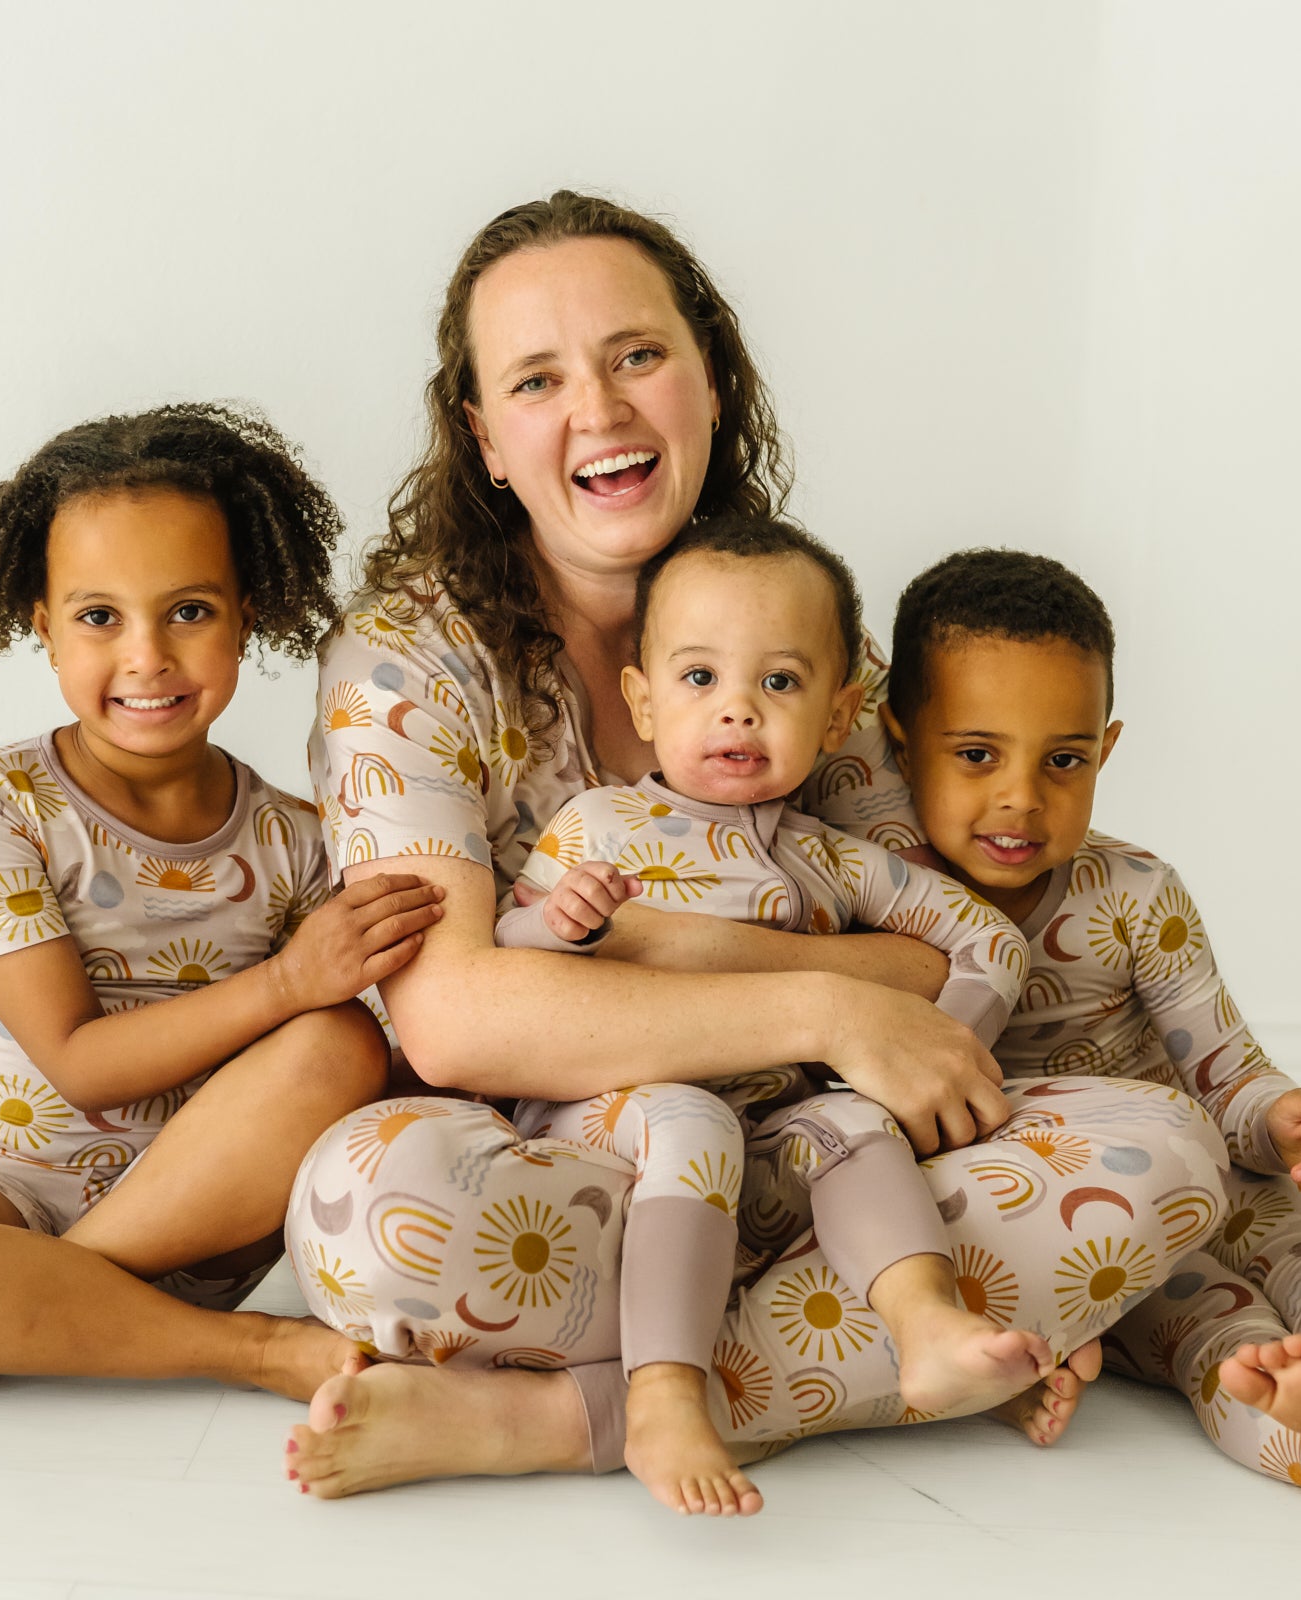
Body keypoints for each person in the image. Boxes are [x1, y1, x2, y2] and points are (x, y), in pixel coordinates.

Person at [283, 190, 1229, 1510]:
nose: (600, 411)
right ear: (484, 437)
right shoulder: (408, 658)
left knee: (1167, 1153)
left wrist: (775, 998)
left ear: (711, 379)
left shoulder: (795, 631)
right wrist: (814, 998)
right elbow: (455, 1019)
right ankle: (871, 1345)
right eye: (539, 378)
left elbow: (932, 952)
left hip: (823, 1156)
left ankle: (564, 1417)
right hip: (579, 1176)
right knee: (363, 1207)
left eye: (637, 356)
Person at [0, 404, 444, 1416]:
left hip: (202, 1210)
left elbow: (344, 1054)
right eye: (98, 617)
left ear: (247, 613)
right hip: (1, 1187)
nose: (146, 656)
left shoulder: (297, 836)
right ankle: (239, 1348)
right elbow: (77, 1059)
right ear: (41, 625)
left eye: (189, 610)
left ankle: (2, 1331)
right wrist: (286, 980)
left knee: (340, 1044)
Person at [878, 545, 1301, 1545]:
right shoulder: (880, 904)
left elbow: (1228, 1074)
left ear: (1107, 745)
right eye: (976, 753)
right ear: (898, 735)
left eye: (1064, 759)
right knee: (1230, 1352)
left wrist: (1293, 1122)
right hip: (1116, 1243)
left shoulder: (1136, 893)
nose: (1021, 797)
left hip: (1235, 1189)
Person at [495, 513, 1053, 1513]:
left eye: (779, 684)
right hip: (611, 1107)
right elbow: (510, 966)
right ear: (643, 698)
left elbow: (992, 941)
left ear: (837, 719)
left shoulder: (831, 858)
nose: (738, 712)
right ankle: (664, 1393)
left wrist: (928, 1055)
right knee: (694, 1119)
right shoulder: (599, 824)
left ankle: (926, 1325)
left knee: (851, 1122)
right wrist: (560, 926)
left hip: (775, 1117)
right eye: (700, 679)